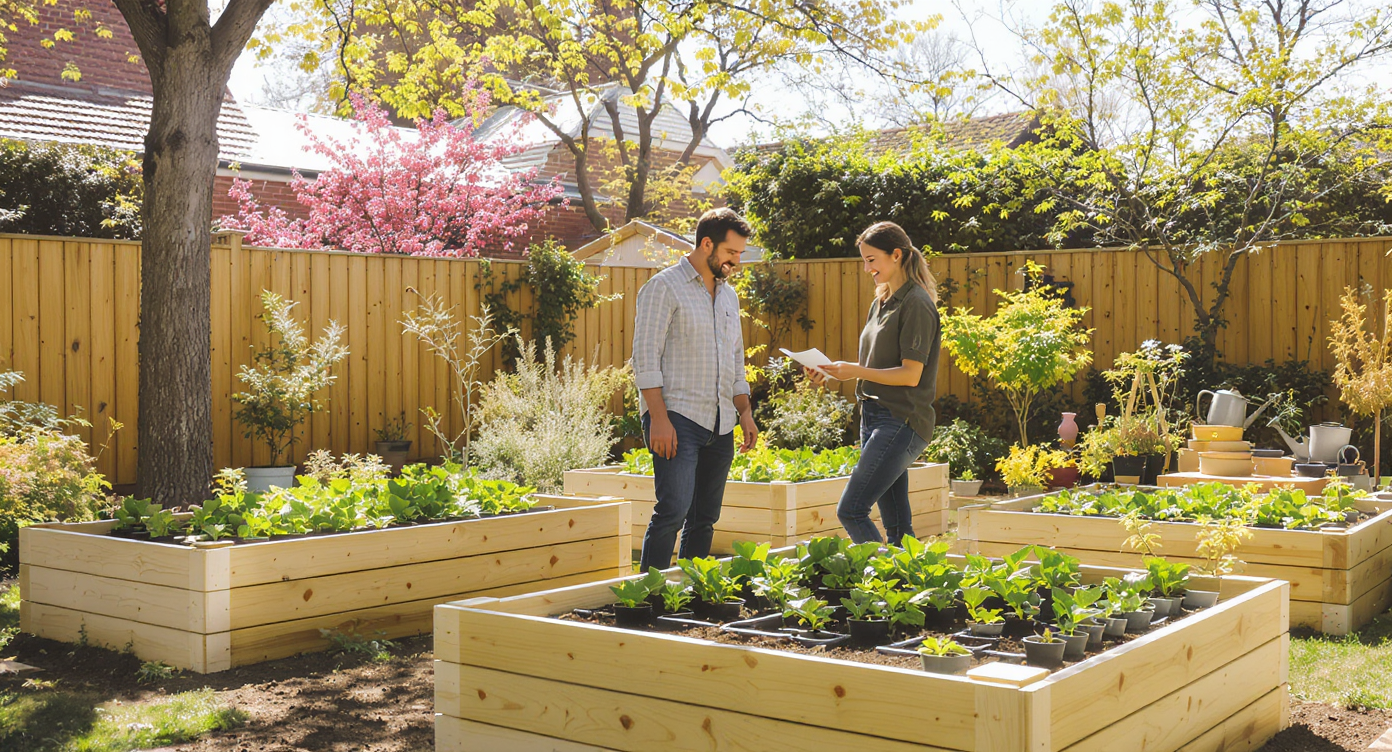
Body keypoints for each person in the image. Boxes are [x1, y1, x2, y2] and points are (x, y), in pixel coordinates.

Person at [631, 208, 759, 570]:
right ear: (707, 245)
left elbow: (736, 360)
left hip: (720, 422)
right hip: (677, 418)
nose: (736, 261)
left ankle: (689, 594)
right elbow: (644, 358)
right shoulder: (664, 287)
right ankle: (649, 597)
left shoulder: (729, 297)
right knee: (672, 511)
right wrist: (658, 418)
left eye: (739, 254)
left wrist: (745, 413)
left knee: (704, 518)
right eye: (731, 253)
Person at [809, 221, 941, 545]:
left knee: (851, 509)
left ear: (896, 255)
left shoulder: (917, 303)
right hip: (874, 417)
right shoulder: (880, 302)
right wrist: (828, 370)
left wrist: (855, 370)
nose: (867, 268)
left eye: (872, 260)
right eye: (864, 261)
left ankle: (880, 583)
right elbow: (873, 366)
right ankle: (905, 588)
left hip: (901, 420)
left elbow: (911, 375)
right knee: (897, 527)